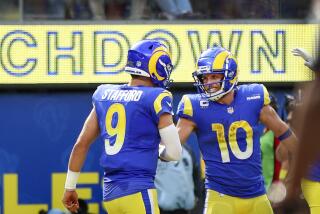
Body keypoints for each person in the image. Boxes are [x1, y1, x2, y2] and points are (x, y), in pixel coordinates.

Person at [62, 39, 182, 214]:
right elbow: (174, 152)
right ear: (157, 65)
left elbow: (81, 144)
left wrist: (69, 188)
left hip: (110, 194)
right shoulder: (157, 97)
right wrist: (155, 150)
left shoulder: (104, 94)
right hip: (139, 190)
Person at [176, 46, 298, 214]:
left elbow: (283, 131)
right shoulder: (194, 106)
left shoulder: (253, 97)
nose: (207, 83)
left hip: (257, 195)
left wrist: (311, 163)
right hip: (220, 196)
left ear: (230, 75)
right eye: (204, 77)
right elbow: (171, 149)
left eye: (214, 76)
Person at [155, 144, 202, 214]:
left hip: (186, 210)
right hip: (162, 210)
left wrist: (196, 196)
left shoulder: (187, 150)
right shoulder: (153, 150)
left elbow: (195, 176)